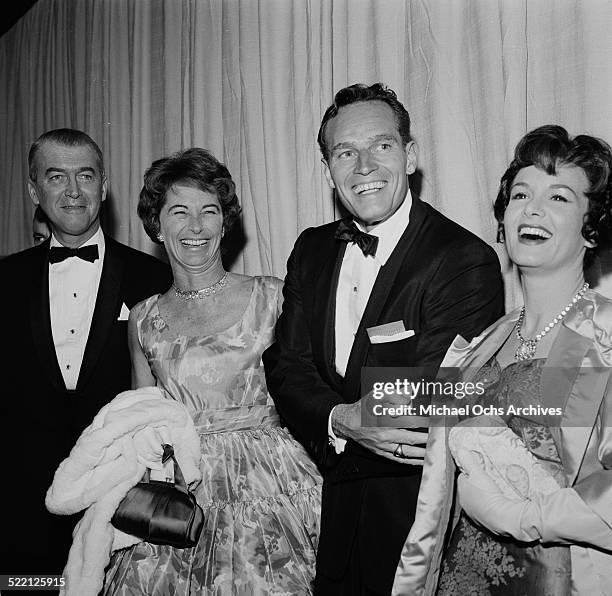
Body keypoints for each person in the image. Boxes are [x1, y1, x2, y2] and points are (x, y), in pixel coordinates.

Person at [262, 83, 505, 595]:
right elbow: (285, 365)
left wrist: (354, 411)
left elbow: (439, 395)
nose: (364, 165)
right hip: (331, 527)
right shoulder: (310, 250)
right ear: (329, 169)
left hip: (417, 537)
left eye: (382, 145)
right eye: (345, 152)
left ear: (411, 155)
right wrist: (340, 418)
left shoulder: (463, 259)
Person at [103, 148, 322, 595]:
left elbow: (316, 391)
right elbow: (142, 422)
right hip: (179, 491)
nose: (196, 226)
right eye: (179, 212)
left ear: (226, 222)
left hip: (273, 485)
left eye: (210, 211)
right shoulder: (143, 319)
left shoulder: (274, 297)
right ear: (157, 226)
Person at [408, 125, 612, 595]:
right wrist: (336, 416)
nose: (533, 208)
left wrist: (521, 518)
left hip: (564, 579)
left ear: (592, 227)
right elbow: (412, 404)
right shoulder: (484, 342)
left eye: (559, 198)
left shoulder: (601, 333)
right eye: (521, 194)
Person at [0, 128, 172, 577]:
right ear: (34, 189)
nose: (74, 191)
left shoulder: (153, 277)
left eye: (86, 176)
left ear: (104, 186)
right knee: (27, 590)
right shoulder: (4, 281)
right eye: (57, 177)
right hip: (21, 503)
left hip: (118, 499)